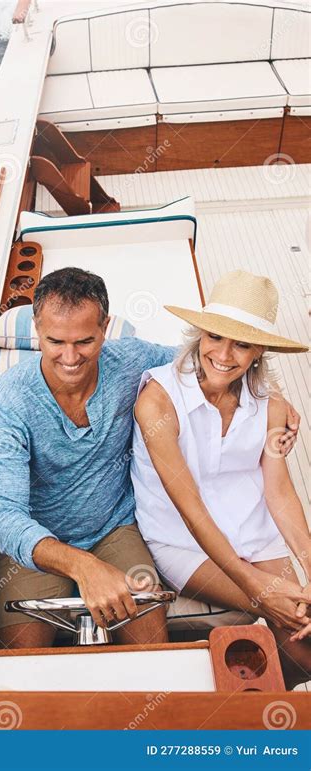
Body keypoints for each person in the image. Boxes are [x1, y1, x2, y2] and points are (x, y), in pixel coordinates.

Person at [0, 267, 299, 651]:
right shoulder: (5, 403)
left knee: (151, 655)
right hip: (38, 541)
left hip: (117, 529)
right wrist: (84, 567)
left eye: (84, 341)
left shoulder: (130, 361)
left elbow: (205, 363)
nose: (69, 357)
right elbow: (4, 515)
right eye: (54, 341)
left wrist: (277, 398)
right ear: (36, 329)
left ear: (105, 328)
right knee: (19, 667)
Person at [131, 270, 310, 688]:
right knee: (294, 614)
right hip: (181, 541)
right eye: (215, 337)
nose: (224, 355)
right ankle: (238, 701)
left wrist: (308, 563)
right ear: (199, 335)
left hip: (253, 530)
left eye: (242, 343)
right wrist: (261, 590)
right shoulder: (157, 401)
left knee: (303, 640)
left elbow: (279, 492)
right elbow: (190, 509)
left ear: (258, 352)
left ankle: (252, 700)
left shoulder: (271, 406)